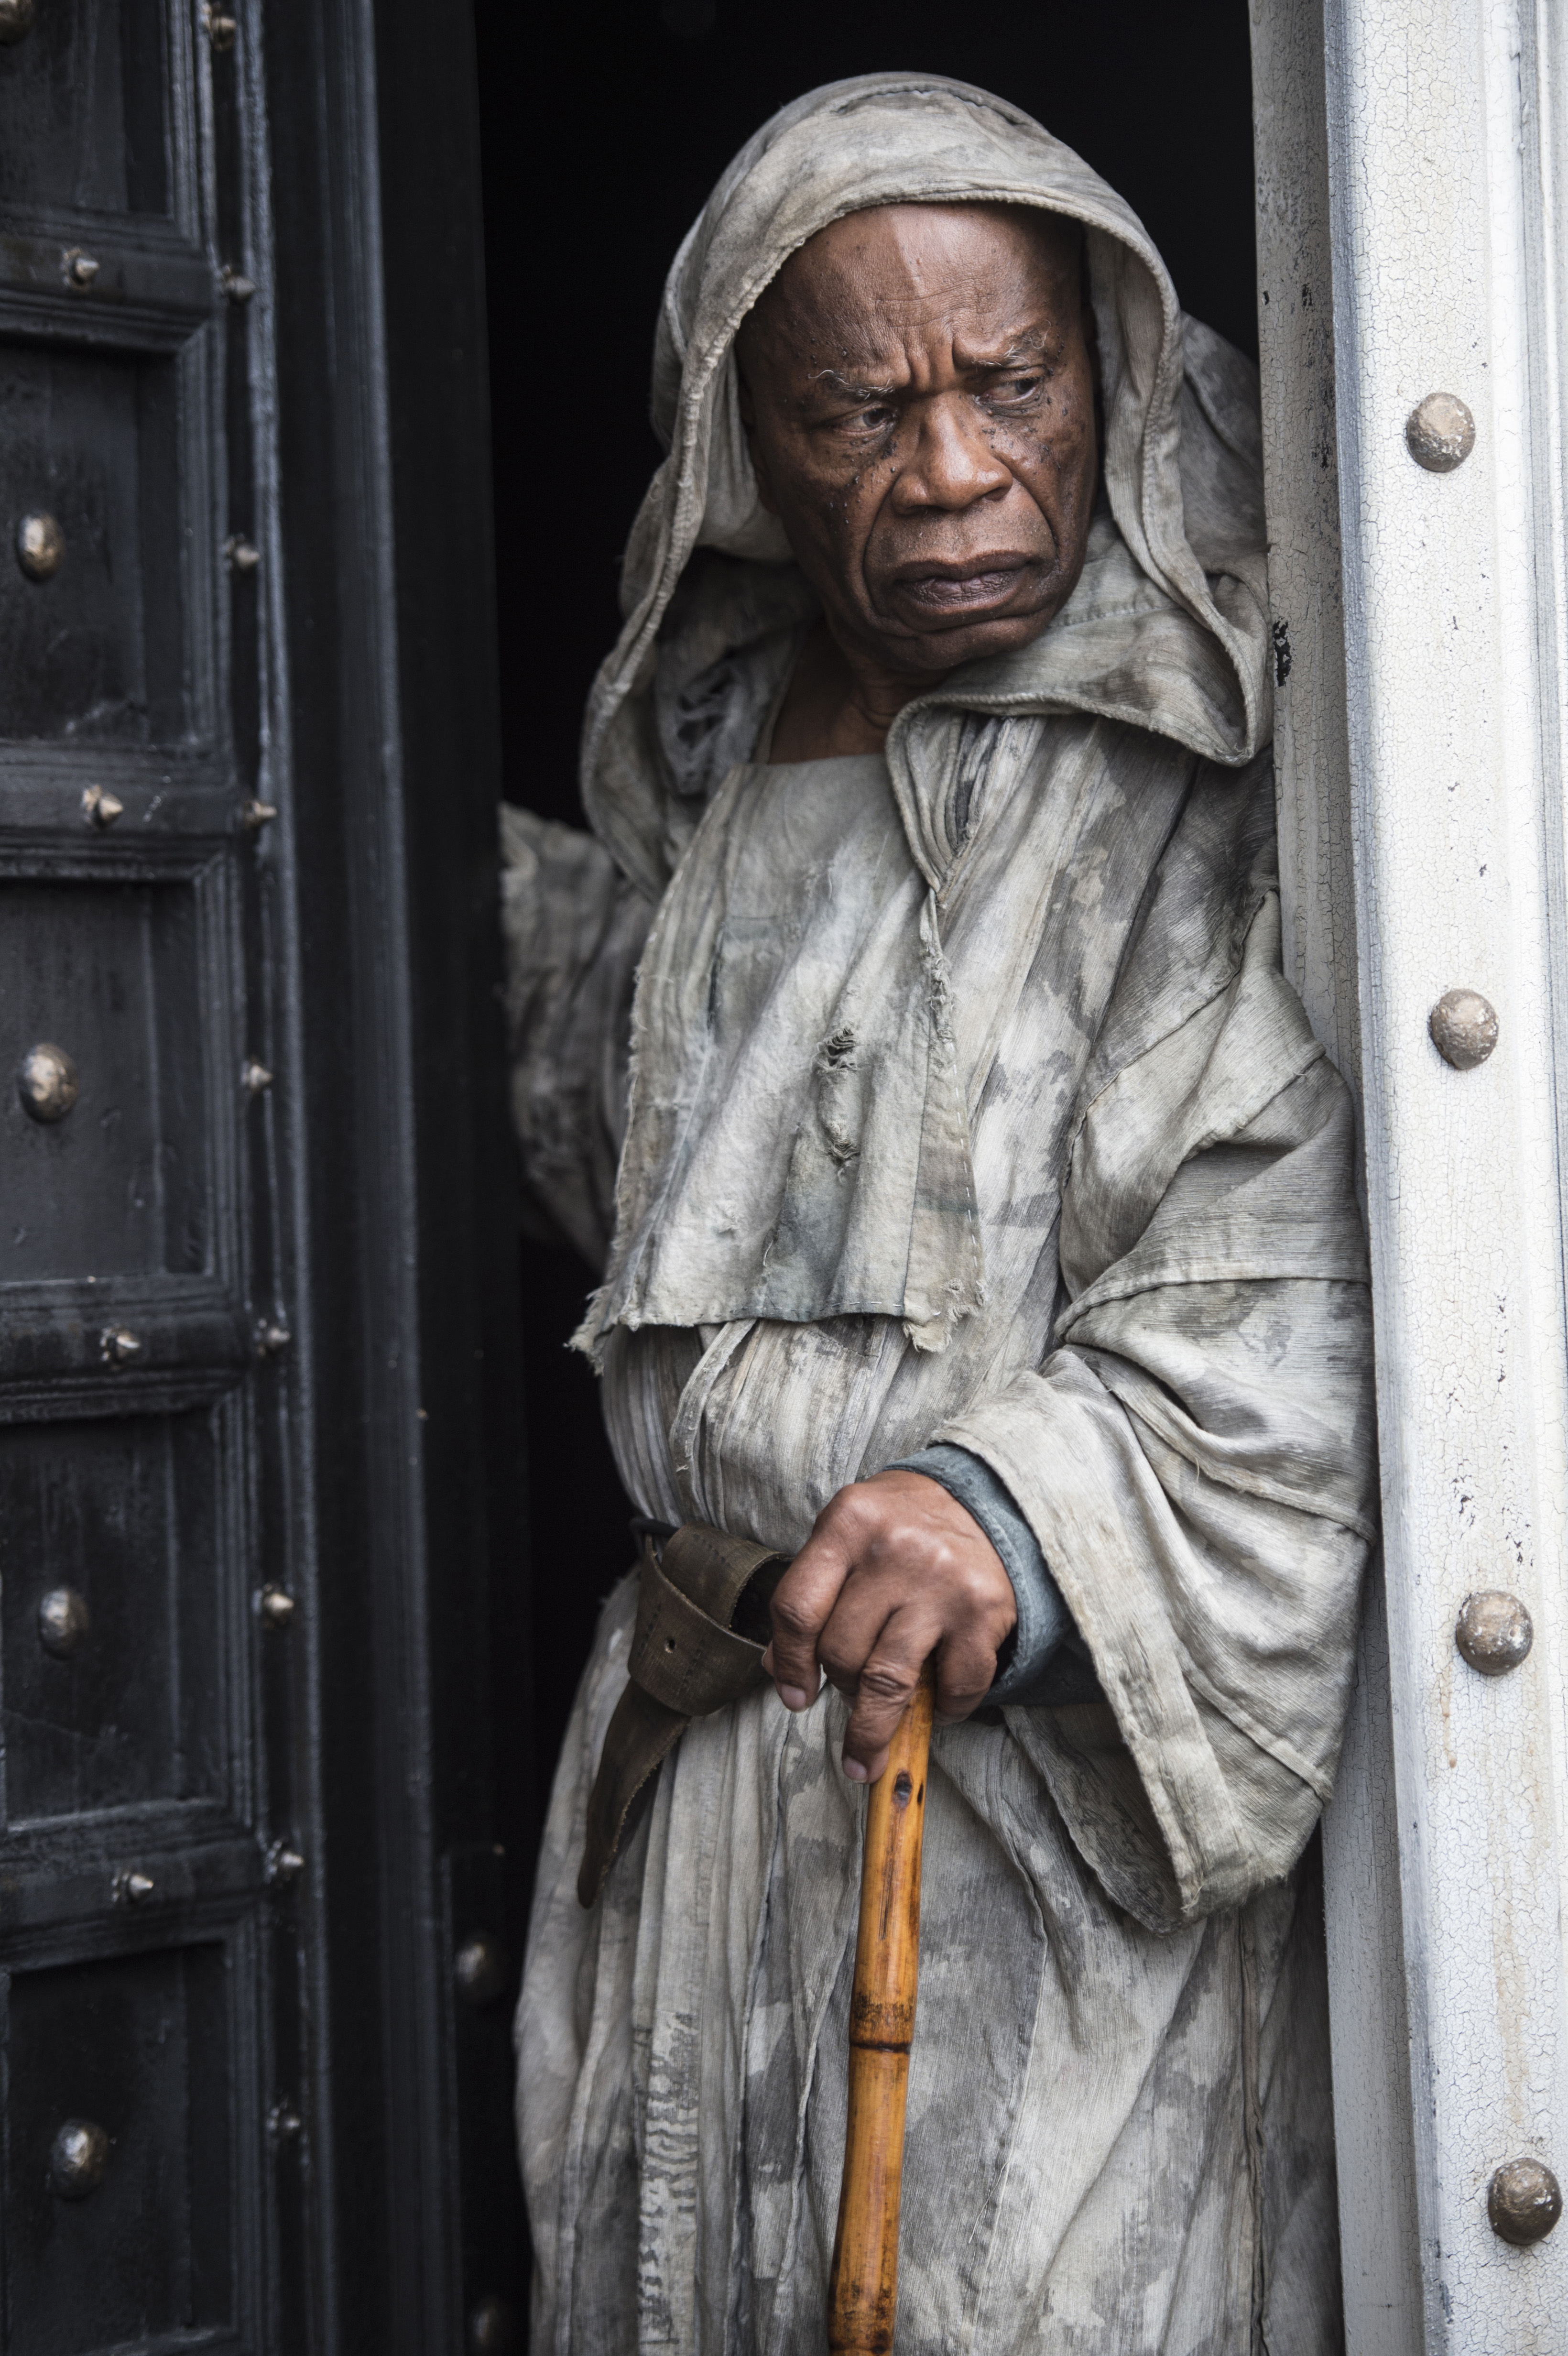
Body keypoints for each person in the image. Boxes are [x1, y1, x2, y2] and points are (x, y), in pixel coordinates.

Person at [505, 72, 1374, 2354]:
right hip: (711, 1807)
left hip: (1014, 1837)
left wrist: (1013, 1502)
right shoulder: (702, 763)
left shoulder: (1219, 766)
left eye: (1013, 383)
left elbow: (1283, 1299)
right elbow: (614, 1138)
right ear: (744, 457)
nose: (958, 468)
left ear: (1108, 361)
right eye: (858, 410)